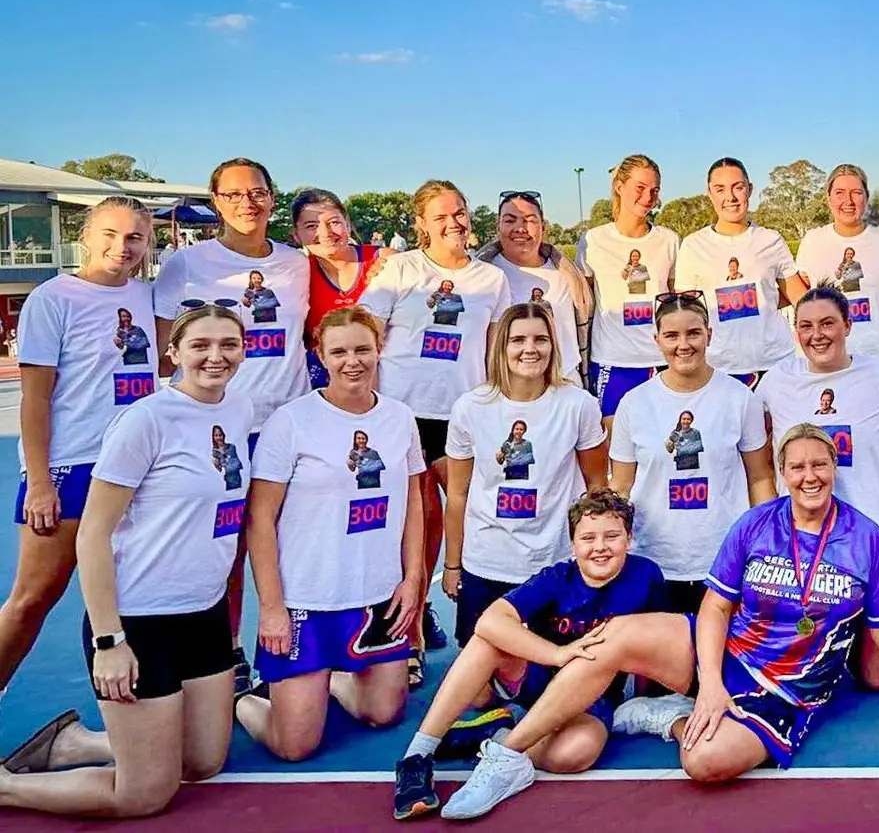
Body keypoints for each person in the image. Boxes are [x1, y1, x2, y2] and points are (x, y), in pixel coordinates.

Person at [436, 424, 879, 820]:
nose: (809, 475)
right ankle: (506, 759)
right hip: (725, 658)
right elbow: (716, 607)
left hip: (789, 689)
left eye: (819, 465)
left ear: (833, 469)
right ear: (782, 472)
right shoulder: (755, 524)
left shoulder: (865, 539)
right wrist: (712, 683)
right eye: (796, 466)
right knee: (615, 636)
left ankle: (664, 719)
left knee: (703, 763)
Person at [0, 305, 250, 817]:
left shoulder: (237, 409)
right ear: (173, 352)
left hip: (202, 612)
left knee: (202, 763)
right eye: (200, 345)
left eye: (228, 344)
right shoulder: (145, 420)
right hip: (139, 620)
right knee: (144, 795)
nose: (215, 356)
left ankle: (69, 744)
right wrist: (110, 640)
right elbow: (91, 535)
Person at [391, 490, 667, 821]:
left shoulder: (645, 576)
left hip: (589, 695)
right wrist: (557, 653)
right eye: (588, 538)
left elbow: (657, 637)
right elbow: (492, 620)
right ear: (573, 543)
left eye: (612, 536)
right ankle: (417, 757)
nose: (600, 547)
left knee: (575, 754)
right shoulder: (557, 578)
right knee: (486, 640)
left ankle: (495, 736)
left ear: (629, 538)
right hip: (536, 679)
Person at [236, 307, 425, 760]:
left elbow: (413, 500)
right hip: (308, 599)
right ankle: (242, 701)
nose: (352, 361)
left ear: (380, 350)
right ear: (319, 355)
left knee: (384, 714)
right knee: (295, 745)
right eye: (339, 352)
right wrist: (273, 608)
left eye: (363, 349)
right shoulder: (293, 421)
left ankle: (333, 677)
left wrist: (413, 577)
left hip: (376, 596)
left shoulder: (399, 418)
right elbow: (260, 518)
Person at [153, 157, 310, 693]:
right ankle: (229, 651)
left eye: (259, 192)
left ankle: (288, 643)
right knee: (226, 545)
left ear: (272, 197)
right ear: (216, 201)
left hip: (285, 423)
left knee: (287, 540)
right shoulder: (186, 265)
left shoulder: (297, 263)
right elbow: (161, 351)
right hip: (221, 426)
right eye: (235, 194)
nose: (249, 203)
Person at [0, 196, 157, 699]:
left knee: (125, 598)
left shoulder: (150, 298)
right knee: (33, 597)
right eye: (110, 234)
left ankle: (127, 716)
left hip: (136, 466)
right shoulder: (54, 298)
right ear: (86, 236)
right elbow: (35, 398)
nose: (122, 246)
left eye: (134, 237)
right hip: (73, 466)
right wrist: (40, 483)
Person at [359, 180, 511, 685]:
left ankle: (491, 633)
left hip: (463, 415)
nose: (454, 223)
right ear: (421, 224)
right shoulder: (401, 270)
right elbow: (365, 335)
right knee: (416, 529)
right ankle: (411, 635)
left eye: (461, 212)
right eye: (442, 216)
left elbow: (495, 350)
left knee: (477, 514)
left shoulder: (489, 279)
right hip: (403, 416)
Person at [441, 302, 609, 655]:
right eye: (518, 340)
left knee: (551, 679)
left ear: (553, 345)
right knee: (482, 694)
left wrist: (592, 556)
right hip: (487, 561)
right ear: (501, 347)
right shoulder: (471, 407)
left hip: (555, 560)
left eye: (540, 339)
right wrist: (452, 565)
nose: (530, 349)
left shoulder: (577, 405)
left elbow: (596, 487)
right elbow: (457, 494)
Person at [758, 284, 879, 642]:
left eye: (827, 323)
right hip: (806, 540)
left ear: (848, 324)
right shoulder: (777, 382)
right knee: (805, 651)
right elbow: (759, 452)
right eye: (805, 326)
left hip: (870, 536)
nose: (817, 335)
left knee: (876, 677)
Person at [610, 292, 777, 612]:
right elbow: (621, 487)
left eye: (693, 333)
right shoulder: (633, 403)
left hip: (723, 560)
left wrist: (765, 545)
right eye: (671, 335)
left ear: (709, 335)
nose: (683, 344)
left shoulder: (740, 399)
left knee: (718, 659)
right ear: (657, 340)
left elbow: (759, 478)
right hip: (653, 560)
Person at [674, 158, 807, 387]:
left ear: (750, 189)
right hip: (719, 368)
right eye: (720, 189)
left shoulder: (771, 239)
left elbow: (801, 299)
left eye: (738, 187)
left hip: (774, 364)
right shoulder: (693, 246)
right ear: (709, 193)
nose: (731, 197)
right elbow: (686, 312)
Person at [576, 155, 679, 430]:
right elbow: (583, 301)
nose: (648, 197)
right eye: (640, 188)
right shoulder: (592, 240)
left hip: (661, 360)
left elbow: (674, 298)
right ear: (620, 186)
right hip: (613, 361)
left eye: (655, 190)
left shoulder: (668, 240)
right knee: (616, 451)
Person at [794, 164, 879, 375]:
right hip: (829, 365)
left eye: (856, 192)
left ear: (866, 197)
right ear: (828, 199)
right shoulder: (812, 243)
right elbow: (799, 295)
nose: (848, 201)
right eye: (839, 193)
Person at [475, 191, 593, 384]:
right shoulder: (482, 275)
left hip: (564, 386)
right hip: (507, 389)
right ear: (498, 227)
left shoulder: (568, 275)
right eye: (510, 220)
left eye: (529, 220)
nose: (520, 228)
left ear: (543, 227)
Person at [292, 188, 390, 389]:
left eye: (334, 223)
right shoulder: (295, 273)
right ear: (295, 235)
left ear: (347, 223)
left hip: (386, 387)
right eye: (311, 226)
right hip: (325, 389)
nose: (325, 234)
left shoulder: (386, 261)